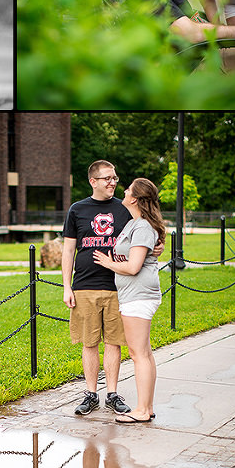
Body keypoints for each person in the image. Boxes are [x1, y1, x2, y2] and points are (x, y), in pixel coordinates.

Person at [62, 160, 162, 417]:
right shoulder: (77, 209)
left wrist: (157, 247)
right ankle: (91, 394)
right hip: (85, 285)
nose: (113, 182)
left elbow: (150, 229)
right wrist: (66, 286)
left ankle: (113, 394)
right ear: (93, 181)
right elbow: (69, 250)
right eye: (107, 178)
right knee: (90, 342)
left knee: (115, 343)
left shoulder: (126, 207)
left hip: (120, 288)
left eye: (115, 178)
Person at [92, 178, 166, 424]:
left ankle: (142, 411)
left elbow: (134, 267)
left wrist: (108, 263)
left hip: (138, 295)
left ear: (134, 198)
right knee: (144, 352)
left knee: (138, 354)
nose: (123, 190)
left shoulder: (142, 226)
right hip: (134, 295)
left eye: (128, 189)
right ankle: (148, 407)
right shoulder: (135, 223)